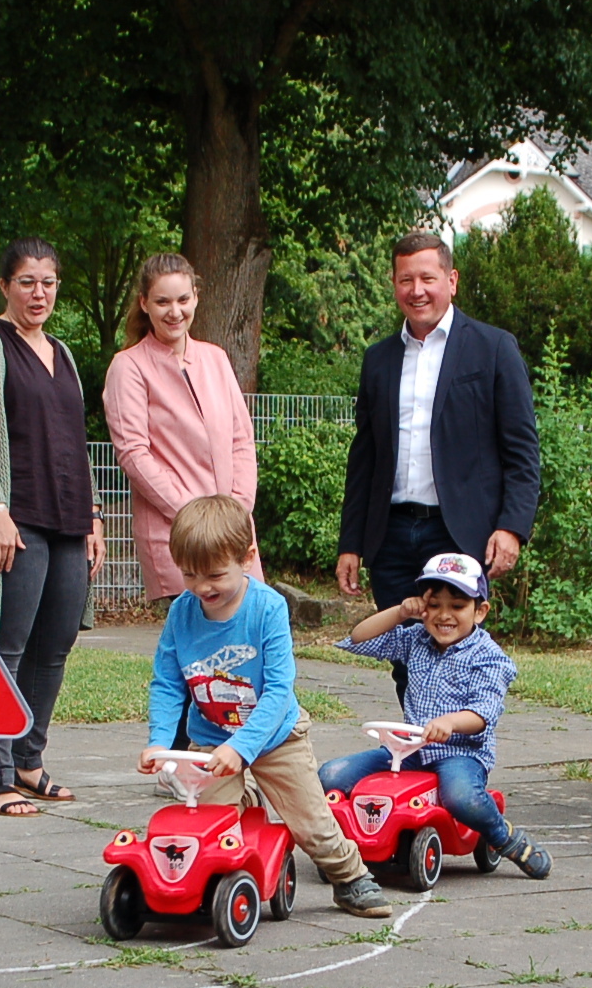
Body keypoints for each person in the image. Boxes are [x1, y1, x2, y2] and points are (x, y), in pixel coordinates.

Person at [140, 495, 394, 919]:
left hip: (277, 737)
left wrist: (242, 748)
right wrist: (159, 744)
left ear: (247, 557)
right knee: (206, 821)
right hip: (212, 739)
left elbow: (278, 690)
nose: (202, 587)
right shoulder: (182, 614)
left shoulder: (268, 608)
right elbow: (168, 683)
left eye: (215, 575)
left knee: (310, 821)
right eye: (189, 575)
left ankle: (349, 876)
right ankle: (217, 881)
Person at [336, 230, 541, 696]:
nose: (417, 290)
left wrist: (512, 527)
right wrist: (351, 542)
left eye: (427, 277)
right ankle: (416, 758)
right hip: (390, 536)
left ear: (451, 280)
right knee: (405, 657)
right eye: (405, 279)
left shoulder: (492, 348)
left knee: (457, 659)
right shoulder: (378, 360)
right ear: (394, 285)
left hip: (458, 533)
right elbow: (363, 458)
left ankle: (460, 762)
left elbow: (522, 450)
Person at [0, 237, 107, 817]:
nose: (38, 293)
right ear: (5, 287)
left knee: (55, 646)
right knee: (3, 648)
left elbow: (75, 441)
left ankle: (28, 761)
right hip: (16, 521)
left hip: (67, 521)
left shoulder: (61, 352)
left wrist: (92, 516)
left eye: (48, 282)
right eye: (26, 282)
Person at [318, 552, 552, 879]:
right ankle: (347, 843)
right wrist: (400, 612)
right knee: (331, 774)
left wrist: (451, 722)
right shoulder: (415, 638)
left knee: (461, 797)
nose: (444, 615)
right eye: (435, 604)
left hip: (459, 753)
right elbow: (360, 638)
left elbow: (484, 713)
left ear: (480, 611)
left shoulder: (489, 658)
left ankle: (504, 837)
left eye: (457, 606)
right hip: (408, 749)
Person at [103, 253, 259, 610]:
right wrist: (196, 520)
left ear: (196, 298)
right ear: (144, 304)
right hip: (177, 535)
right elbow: (133, 453)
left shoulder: (216, 358)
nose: (174, 312)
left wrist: (235, 514)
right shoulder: (128, 367)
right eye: (162, 301)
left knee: (246, 648)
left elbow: (241, 440)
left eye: (182, 300)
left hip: (233, 536)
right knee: (198, 652)